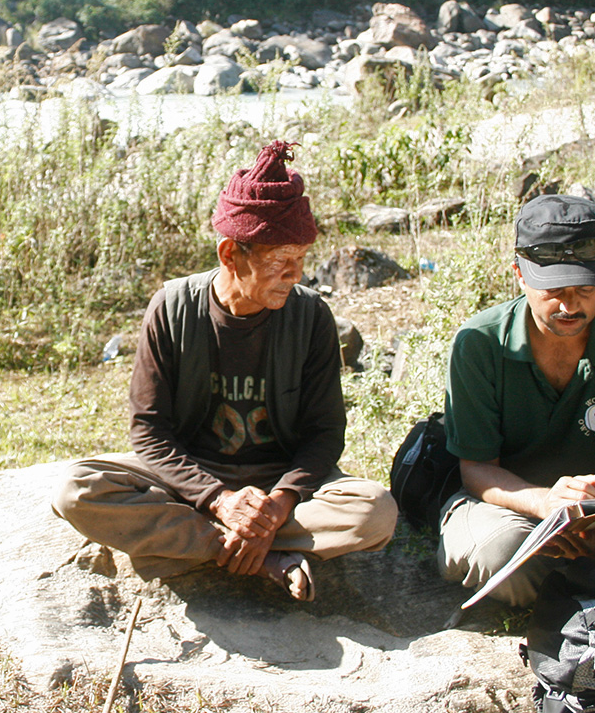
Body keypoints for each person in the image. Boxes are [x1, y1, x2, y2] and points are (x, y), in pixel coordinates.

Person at [53, 142, 396, 601]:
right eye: (279, 260)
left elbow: (325, 433)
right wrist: (220, 500)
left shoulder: (311, 315)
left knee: (375, 511)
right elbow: (149, 432)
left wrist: (277, 505)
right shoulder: (172, 307)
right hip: (191, 478)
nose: (294, 274)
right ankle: (261, 556)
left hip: (280, 485)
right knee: (76, 490)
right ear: (230, 253)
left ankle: (196, 546)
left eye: (301, 258)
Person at [437, 194, 595, 606]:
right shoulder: (479, 343)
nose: (570, 305)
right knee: (501, 556)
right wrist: (545, 503)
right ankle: (590, 586)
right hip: (508, 507)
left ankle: (591, 576)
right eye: (553, 289)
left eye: (586, 289)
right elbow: (477, 470)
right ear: (520, 275)